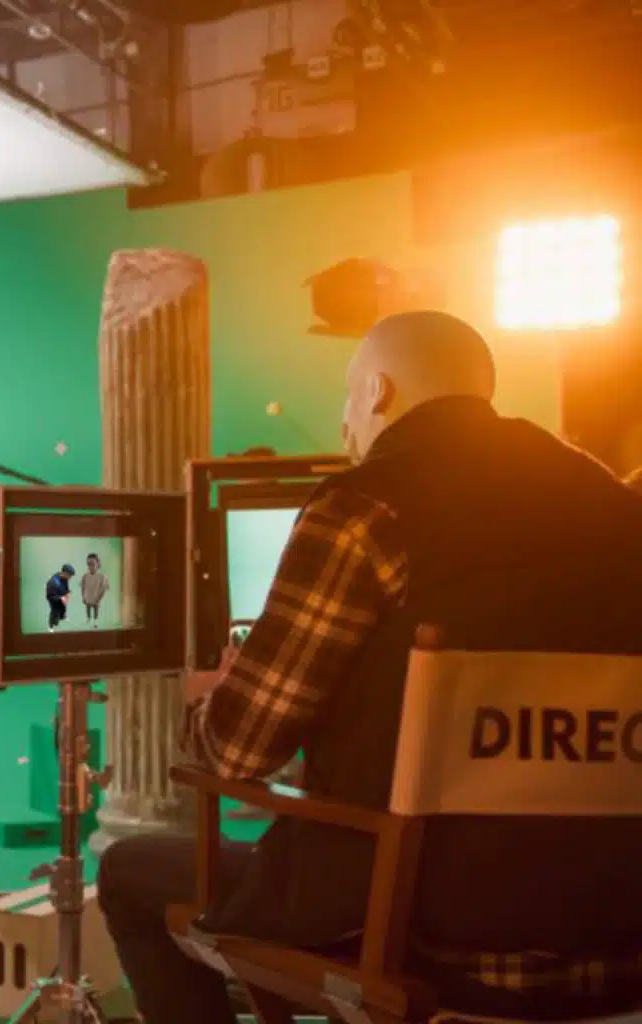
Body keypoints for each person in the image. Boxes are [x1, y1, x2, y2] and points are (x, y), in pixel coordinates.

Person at [97, 310, 642, 1023]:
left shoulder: (364, 507)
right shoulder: (617, 506)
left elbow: (238, 751)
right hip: (620, 936)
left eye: (348, 396)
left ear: (378, 390)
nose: (345, 422)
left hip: (418, 933)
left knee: (128, 871)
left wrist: (210, 700)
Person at [80, 553, 109, 628]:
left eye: (93, 564)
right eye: (89, 564)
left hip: (96, 597)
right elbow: (82, 586)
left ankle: (95, 621)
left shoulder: (102, 576)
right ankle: (88, 618)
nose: (91, 566)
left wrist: (99, 598)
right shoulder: (85, 576)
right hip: (88, 596)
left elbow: (104, 589)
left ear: (98, 564)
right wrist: (83, 596)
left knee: (96, 609)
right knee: (88, 608)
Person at [46, 563, 75, 632]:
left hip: (61, 595)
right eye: (70, 575)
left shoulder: (65, 578)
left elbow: (66, 586)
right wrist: (60, 598)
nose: (70, 577)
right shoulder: (52, 583)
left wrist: (67, 593)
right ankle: (50, 627)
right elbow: (49, 597)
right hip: (54, 598)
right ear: (64, 573)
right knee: (55, 612)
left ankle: (63, 616)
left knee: (63, 607)